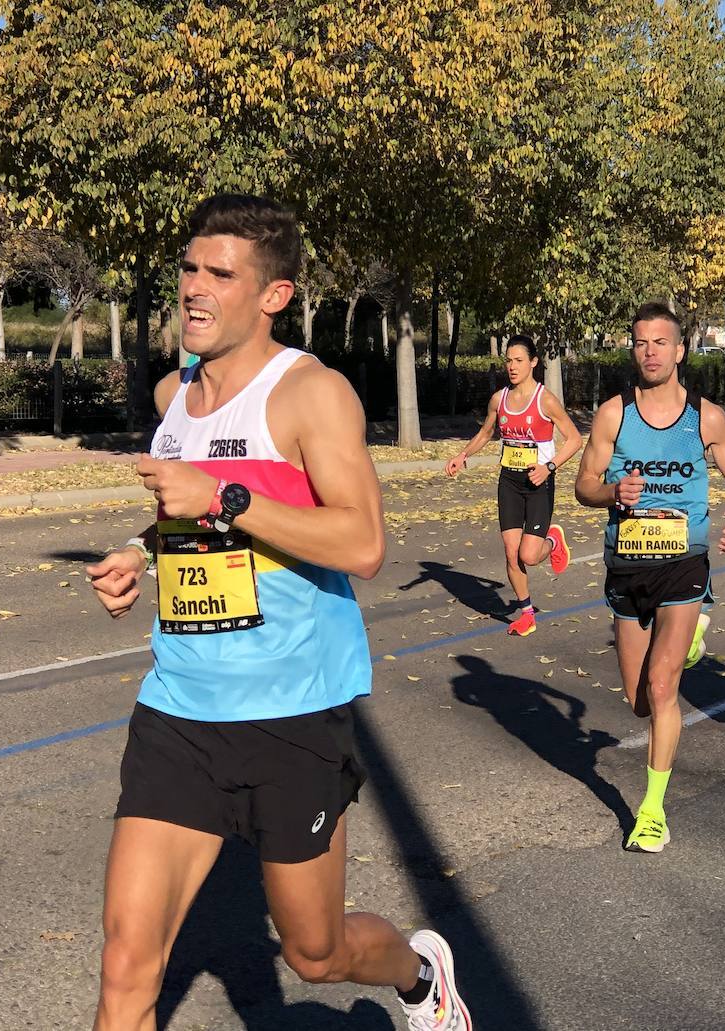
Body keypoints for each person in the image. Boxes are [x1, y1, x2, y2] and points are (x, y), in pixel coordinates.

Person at [84, 196, 470, 1031]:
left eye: (220, 274)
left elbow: (363, 542)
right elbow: (184, 520)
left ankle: (419, 975)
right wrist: (140, 551)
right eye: (189, 267)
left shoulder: (309, 394)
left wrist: (223, 496)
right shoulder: (171, 395)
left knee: (315, 951)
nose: (194, 287)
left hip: (290, 712)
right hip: (180, 706)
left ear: (274, 295)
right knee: (124, 968)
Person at [575, 301, 725, 853]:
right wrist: (612, 493)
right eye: (640, 342)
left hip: (684, 565)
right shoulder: (612, 414)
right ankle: (688, 641)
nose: (650, 351)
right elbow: (583, 485)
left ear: (680, 351)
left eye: (660, 342)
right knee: (638, 701)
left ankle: (652, 811)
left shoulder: (707, 418)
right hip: (627, 567)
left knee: (662, 684)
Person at [444, 335, 582, 636]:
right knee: (510, 552)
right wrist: (462, 455)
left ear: (533, 362)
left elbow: (574, 439)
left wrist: (549, 467)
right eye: (508, 360)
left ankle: (554, 541)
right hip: (509, 480)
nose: (512, 366)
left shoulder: (545, 400)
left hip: (538, 480)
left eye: (518, 360)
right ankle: (527, 613)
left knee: (528, 556)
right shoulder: (499, 399)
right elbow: (486, 432)